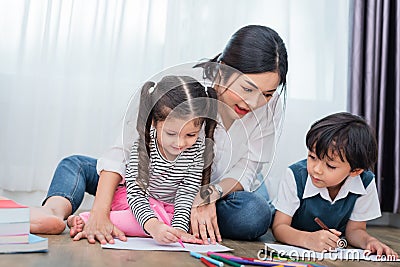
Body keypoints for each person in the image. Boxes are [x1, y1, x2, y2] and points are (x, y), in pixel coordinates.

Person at [30, 25, 288, 244]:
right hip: (146, 180)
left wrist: (208, 195)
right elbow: (124, 151)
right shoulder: (182, 89)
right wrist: (100, 212)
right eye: (247, 88)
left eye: (267, 94)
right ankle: (53, 211)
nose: (254, 102)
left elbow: (248, 168)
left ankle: (177, 218)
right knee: (75, 164)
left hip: (199, 192)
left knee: (254, 213)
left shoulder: (269, 107)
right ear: (221, 71)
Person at [66, 75, 217, 244]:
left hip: (168, 206)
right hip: (132, 199)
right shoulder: (144, 144)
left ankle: (141, 223)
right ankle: (87, 219)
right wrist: (153, 225)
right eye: (171, 134)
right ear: (154, 122)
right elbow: (136, 194)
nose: (180, 143)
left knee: (179, 220)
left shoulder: (197, 149)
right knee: (157, 217)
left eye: (190, 135)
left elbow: (187, 192)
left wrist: (179, 232)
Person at [272, 112, 398, 258]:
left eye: (330, 166)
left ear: (355, 171)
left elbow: (354, 230)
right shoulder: (295, 175)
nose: (316, 169)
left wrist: (369, 241)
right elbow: (279, 227)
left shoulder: (365, 182)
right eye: (312, 157)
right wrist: (307, 239)